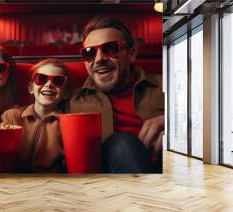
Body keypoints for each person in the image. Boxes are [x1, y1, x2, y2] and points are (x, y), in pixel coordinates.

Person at [68, 16, 164, 173]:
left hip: (166, 170)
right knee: (121, 141)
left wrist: (176, 126)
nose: (99, 59)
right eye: (89, 53)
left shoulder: (169, 86)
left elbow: (209, 121)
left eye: (110, 49)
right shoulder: (70, 99)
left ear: (131, 54)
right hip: (107, 183)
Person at [2, 59, 71, 173]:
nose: (49, 84)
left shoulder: (68, 124)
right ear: (30, 88)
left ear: (66, 93)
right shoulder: (12, 117)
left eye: (58, 81)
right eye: (41, 79)